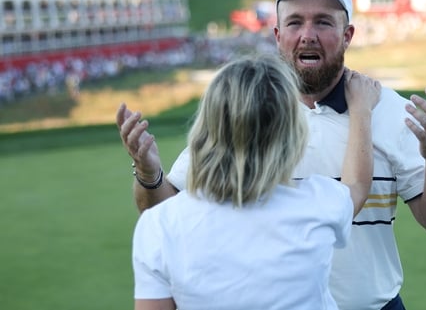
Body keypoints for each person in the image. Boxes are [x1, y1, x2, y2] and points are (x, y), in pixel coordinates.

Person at [117, 0, 426, 309]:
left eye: (323, 22)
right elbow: (170, 210)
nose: (307, 34)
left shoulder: (390, 111)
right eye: (295, 22)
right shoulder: (242, 110)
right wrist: (149, 175)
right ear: (278, 34)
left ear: (348, 34)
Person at [131, 54, 381, 310]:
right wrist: (361, 110)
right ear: (292, 134)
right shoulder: (319, 202)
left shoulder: (158, 224)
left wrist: (149, 173)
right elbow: (358, 186)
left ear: (206, 129)